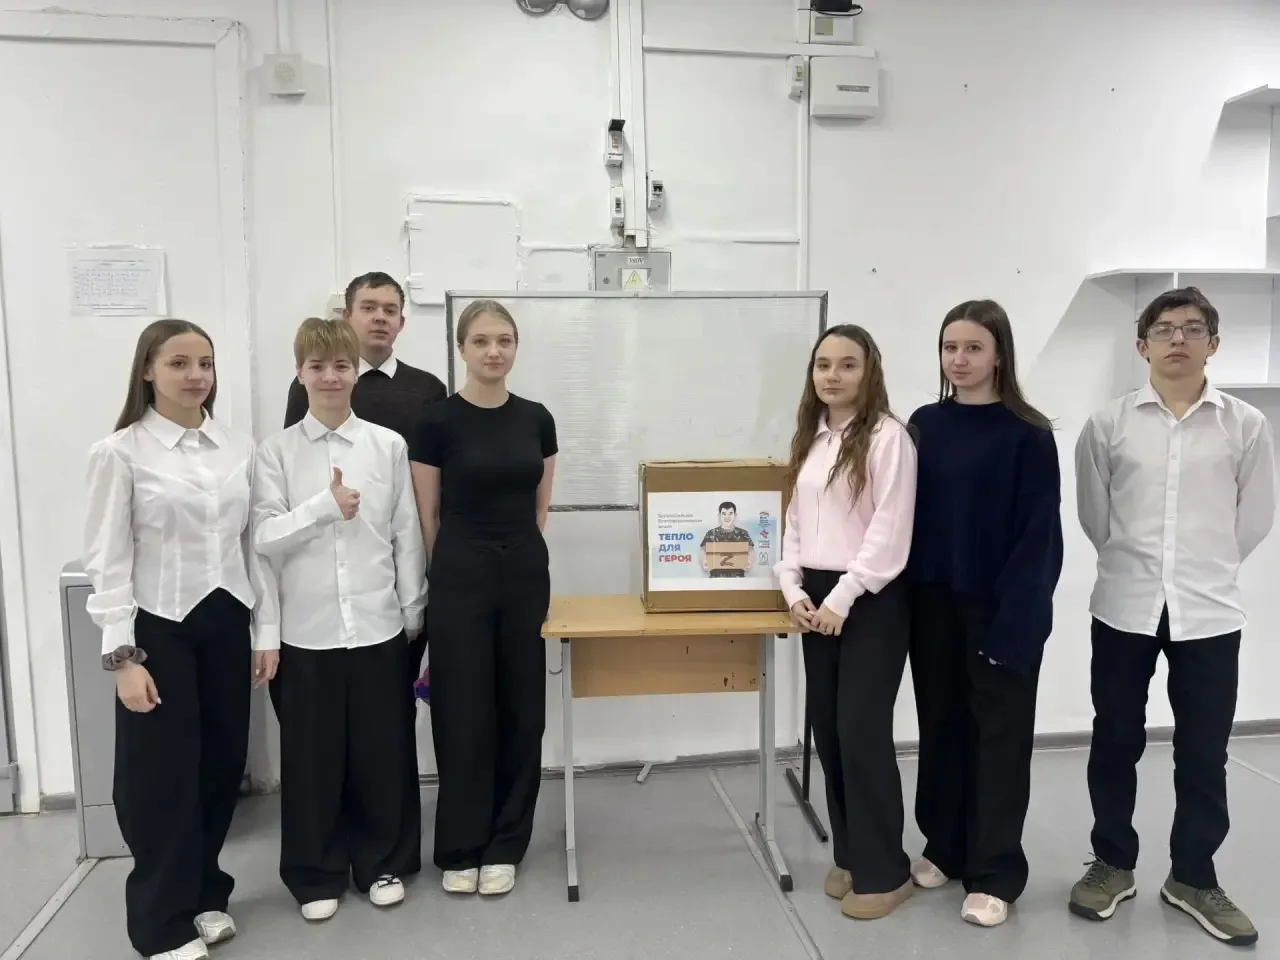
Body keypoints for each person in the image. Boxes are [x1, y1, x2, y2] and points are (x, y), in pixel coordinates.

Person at [1070, 287, 1274, 947]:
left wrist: (1204, 567)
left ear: (1214, 343)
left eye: (1192, 328)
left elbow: (1254, 518)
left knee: (1204, 750)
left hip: (1209, 612)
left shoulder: (1245, 425)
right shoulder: (1108, 424)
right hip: (1123, 606)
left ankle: (1193, 876)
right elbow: (1096, 516)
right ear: (1142, 345)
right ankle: (1112, 862)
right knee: (1115, 739)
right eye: (1163, 329)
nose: (1177, 339)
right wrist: (1134, 565)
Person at [83, 319, 278, 960]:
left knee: (220, 765)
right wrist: (122, 657)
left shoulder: (238, 447)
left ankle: (204, 893)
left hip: (226, 621)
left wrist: (264, 630)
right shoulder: (121, 452)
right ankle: (160, 923)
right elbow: (108, 560)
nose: (196, 375)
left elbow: (252, 546)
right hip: (156, 629)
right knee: (159, 777)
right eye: (179, 363)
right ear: (148, 370)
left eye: (205, 363)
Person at [253, 318, 426, 921]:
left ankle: (384, 862)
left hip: (379, 626)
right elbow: (262, 539)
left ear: (357, 373)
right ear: (300, 374)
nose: (330, 377)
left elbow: (406, 533)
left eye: (341, 366)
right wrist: (322, 508)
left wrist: (412, 609)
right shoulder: (274, 453)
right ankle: (315, 874)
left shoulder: (387, 446)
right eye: (317, 366)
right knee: (312, 761)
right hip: (307, 634)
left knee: (383, 753)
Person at [905, 299, 1063, 928]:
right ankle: (945, 845)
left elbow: (1039, 536)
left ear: (999, 354)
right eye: (951, 348)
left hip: (1000, 607)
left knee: (999, 737)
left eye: (973, 347)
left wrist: (1019, 621)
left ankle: (995, 871)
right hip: (931, 603)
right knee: (940, 725)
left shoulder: (1028, 433)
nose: (960, 359)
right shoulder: (924, 424)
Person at [409, 298, 556, 897]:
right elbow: (428, 515)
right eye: (481, 342)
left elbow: (541, 505)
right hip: (459, 573)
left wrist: (518, 554)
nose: (494, 352)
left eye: (504, 341)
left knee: (522, 708)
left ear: (515, 348)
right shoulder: (435, 422)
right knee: (462, 708)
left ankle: (505, 844)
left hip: (523, 570)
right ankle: (460, 846)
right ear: (461, 349)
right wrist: (452, 568)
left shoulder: (537, 418)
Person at [773, 324, 918, 921]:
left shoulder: (888, 437)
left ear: (870, 370)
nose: (832, 375)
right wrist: (792, 588)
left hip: (870, 598)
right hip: (817, 597)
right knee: (829, 730)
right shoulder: (813, 436)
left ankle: (887, 871)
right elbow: (795, 520)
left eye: (847, 364)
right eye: (823, 364)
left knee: (861, 731)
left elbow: (889, 529)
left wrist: (843, 598)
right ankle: (853, 855)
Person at [278, 271, 445, 714]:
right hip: (326, 561)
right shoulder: (314, 385)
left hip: (401, 555)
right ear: (348, 316)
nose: (379, 318)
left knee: (390, 702)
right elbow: (298, 468)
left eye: (390, 310)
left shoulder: (427, 389)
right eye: (368, 308)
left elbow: (435, 478)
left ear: (402, 322)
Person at [700, 501, 754, 578]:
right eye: (724, 513)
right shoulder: (711, 533)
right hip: (716, 577)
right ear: (719, 515)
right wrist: (704, 561)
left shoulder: (742, 533)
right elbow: (703, 549)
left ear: (735, 515)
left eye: (730, 513)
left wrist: (749, 561)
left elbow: (751, 550)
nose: (727, 517)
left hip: (738, 577)